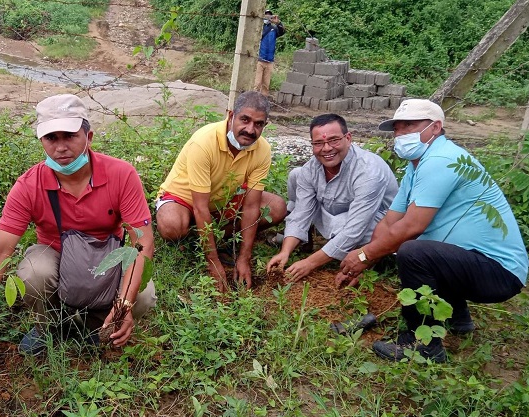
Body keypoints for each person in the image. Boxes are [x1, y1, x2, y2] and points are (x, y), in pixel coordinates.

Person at [0, 94, 155, 355]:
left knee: (142, 294)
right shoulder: (29, 185)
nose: (61, 147)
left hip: (106, 255)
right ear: (41, 141)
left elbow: (141, 243)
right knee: (33, 271)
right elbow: (0, 249)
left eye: (70, 136)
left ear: (89, 137)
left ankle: (101, 325)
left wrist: (124, 304)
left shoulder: (121, 174)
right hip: (57, 256)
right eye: (51, 138)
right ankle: (49, 328)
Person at [338, 99, 529, 362]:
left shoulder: (442, 160)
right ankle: (456, 318)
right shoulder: (416, 166)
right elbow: (389, 222)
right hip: (473, 262)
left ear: (436, 127)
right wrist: (366, 261)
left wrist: (364, 255)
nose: (401, 133)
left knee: (413, 251)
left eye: (410, 125)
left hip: (499, 273)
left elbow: (411, 226)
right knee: (423, 249)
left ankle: (423, 345)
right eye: (397, 127)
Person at [156, 91, 287, 292]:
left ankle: (203, 240)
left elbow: (251, 205)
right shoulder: (204, 142)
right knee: (173, 225)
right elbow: (199, 207)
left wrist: (244, 257)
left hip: (220, 204)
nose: (250, 129)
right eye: (245, 119)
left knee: (276, 207)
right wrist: (213, 261)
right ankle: (199, 242)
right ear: (231, 114)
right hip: (185, 200)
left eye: (258, 124)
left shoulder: (262, 150)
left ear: (264, 125)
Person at [266, 114, 398, 282]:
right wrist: (285, 252)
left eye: (334, 140)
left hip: (374, 222)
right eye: (319, 143)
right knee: (296, 175)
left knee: (344, 229)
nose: (327, 148)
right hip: (338, 213)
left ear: (348, 138)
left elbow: (355, 229)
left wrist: (309, 263)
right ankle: (304, 239)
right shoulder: (312, 168)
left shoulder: (368, 171)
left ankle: (370, 259)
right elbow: (301, 213)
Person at [254, 10, 286, 98]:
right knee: (256, 83)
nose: (267, 18)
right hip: (259, 59)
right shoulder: (258, 28)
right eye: (266, 16)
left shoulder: (274, 29)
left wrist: (278, 23)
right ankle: (253, 101)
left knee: (266, 85)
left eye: (269, 16)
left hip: (269, 61)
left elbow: (282, 31)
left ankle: (263, 102)